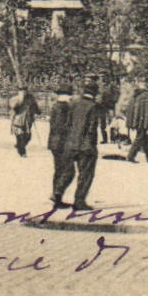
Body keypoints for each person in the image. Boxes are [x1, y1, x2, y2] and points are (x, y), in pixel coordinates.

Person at [59, 81, 103, 209]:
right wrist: (92, 146)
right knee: (86, 174)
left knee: (67, 171)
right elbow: (92, 128)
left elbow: (67, 124)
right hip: (86, 146)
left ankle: (57, 194)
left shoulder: (73, 104)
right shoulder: (93, 107)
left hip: (71, 143)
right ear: (95, 94)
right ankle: (79, 201)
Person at [46, 82, 75, 209]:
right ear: (66, 96)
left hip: (54, 143)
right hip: (61, 144)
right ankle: (56, 193)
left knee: (59, 170)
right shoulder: (63, 108)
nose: (71, 98)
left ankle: (57, 199)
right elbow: (60, 127)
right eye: (70, 95)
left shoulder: (56, 106)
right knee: (69, 171)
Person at [126, 81, 148, 164]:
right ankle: (130, 156)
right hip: (142, 122)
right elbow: (147, 111)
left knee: (145, 138)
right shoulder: (146, 96)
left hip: (137, 121)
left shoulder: (136, 96)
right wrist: (147, 124)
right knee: (140, 137)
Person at [9, 84, 40, 158]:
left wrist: (37, 111)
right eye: (21, 91)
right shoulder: (15, 99)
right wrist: (20, 100)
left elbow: (35, 107)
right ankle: (22, 152)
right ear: (19, 92)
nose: (23, 92)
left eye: (25, 91)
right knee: (20, 137)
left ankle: (19, 146)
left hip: (27, 122)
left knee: (28, 137)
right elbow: (14, 107)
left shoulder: (30, 99)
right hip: (17, 122)